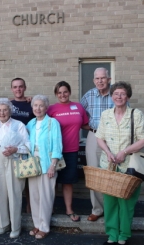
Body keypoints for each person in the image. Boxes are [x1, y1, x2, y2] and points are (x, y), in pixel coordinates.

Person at [96, 82, 144, 245]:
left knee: (126, 202)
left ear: (128, 96)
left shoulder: (136, 114)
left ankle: (124, 234)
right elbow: (100, 137)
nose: (119, 96)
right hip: (109, 165)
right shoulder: (106, 114)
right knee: (110, 201)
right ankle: (112, 233)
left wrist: (124, 152)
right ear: (111, 96)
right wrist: (107, 151)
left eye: (123, 93)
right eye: (116, 93)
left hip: (129, 166)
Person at [47, 81, 89, 222]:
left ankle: (69, 210)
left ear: (69, 92)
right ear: (56, 94)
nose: (62, 95)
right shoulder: (51, 109)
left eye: (65, 91)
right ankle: (50, 208)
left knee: (67, 181)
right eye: (59, 92)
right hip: (53, 151)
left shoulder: (78, 107)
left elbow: (85, 124)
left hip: (71, 150)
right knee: (52, 181)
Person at [0, 98, 30, 238]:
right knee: (1, 192)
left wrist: (15, 149)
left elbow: (28, 145)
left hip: (14, 159)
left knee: (14, 193)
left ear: (10, 111)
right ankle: (3, 224)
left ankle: (15, 226)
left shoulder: (18, 125)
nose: (2, 113)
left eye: (5, 110)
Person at [26, 95, 62, 240]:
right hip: (32, 163)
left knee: (46, 196)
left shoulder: (53, 123)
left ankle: (44, 227)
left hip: (47, 163)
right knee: (34, 196)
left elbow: (57, 145)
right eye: (35, 105)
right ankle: (37, 224)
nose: (38, 108)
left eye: (41, 105)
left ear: (46, 108)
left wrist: (53, 165)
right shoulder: (30, 124)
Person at [80, 67, 114, 221]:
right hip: (94, 136)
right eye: (97, 78)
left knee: (112, 173)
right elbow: (80, 116)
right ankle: (97, 209)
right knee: (94, 172)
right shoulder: (88, 95)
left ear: (109, 79)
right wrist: (90, 127)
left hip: (114, 137)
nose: (100, 81)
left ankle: (112, 209)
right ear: (94, 80)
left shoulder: (117, 94)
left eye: (103, 78)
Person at [10, 77, 35, 214]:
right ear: (11, 89)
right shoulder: (9, 104)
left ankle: (30, 206)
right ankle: (15, 208)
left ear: (24, 88)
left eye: (20, 86)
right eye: (15, 87)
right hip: (11, 148)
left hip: (26, 147)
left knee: (28, 177)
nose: (18, 89)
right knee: (14, 180)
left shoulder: (30, 104)